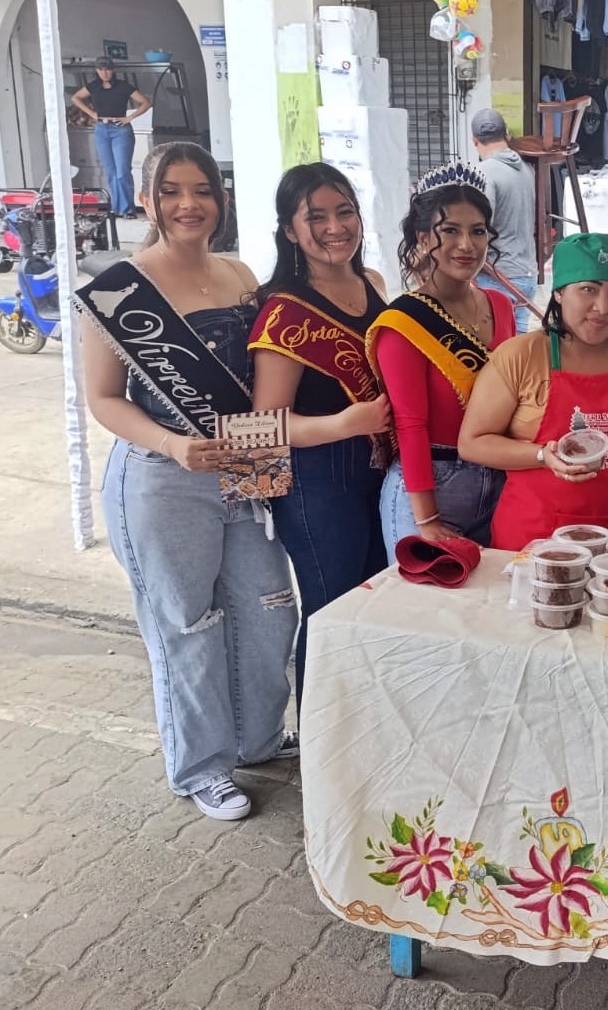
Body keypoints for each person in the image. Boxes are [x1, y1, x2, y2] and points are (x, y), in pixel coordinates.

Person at [75, 142, 296, 821]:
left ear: (220, 200)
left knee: (268, 611)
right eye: (171, 191)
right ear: (147, 200)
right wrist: (174, 444)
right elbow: (103, 399)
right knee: (188, 625)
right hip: (163, 480)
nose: (188, 203)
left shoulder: (240, 273)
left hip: (245, 472)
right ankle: (202, 767)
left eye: (201, 190)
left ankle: (257, 739)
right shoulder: (120, 287)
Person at [248, 163, 392, 720]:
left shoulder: (372, 282)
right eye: (317, 217)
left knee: (375, 607)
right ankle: (320, 742)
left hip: (378, 473)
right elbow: (265, 423)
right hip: (317, 482)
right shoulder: (284, 310)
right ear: (290, 230)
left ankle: (362, 733)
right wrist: (344, 424)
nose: (336, 227)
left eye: (345, 211)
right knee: (331, 614)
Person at [458, 233, 608, 550]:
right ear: (559, 292)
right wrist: (541, 456)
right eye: (588, 289)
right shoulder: (521, 355)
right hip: (537, 538)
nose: (603, 307)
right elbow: (472, 443)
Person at [368, 162, 515, 556]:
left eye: (478, 231)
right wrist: (427, 518)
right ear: (422, 237)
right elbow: (409, 425)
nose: (467, 245)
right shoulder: (404, 322)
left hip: (496, 481)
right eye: (450, 230)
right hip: (431, 487)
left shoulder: (500, 305)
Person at [470, 108, 538, 334]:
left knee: (497, 349)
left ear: (475, 141)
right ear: (507, 135)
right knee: (517, 347)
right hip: (526, 274)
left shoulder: (482, 173)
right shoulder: (527, 169)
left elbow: (479, 227)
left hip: (498, 277)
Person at [70, 57, 152, 219]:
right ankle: (117, 208)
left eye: (107, 69)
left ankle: (128, 208)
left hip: (120, 129)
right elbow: (76, 98)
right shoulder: (94, 86)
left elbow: (146, 102)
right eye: (101, 69)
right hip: (101, 128)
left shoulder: (123, 86)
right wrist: (92, 113)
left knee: (122, 171)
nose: (104, 73)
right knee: (110, 171)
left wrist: (130, 117)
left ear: (113, 70)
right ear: (97, 71)